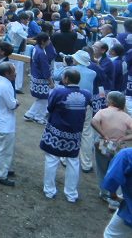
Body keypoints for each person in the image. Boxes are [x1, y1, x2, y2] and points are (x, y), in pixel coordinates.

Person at [40, 68, 92, 202]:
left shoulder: (58, 91)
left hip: (56, 132)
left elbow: (49, 108)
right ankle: (71, 194)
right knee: (73, 162)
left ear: (66, 79)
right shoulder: (86, 94)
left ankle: (49, 190)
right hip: (74, 135)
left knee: (52, 160)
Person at [54, 50, 98, 173]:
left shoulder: (69, 70)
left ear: (76, 60)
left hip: (71, 103)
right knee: (87, 133)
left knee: (67, 130)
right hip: (87, 103)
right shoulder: (93, 73)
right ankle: (86, 163)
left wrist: (65, 66)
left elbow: (55, 76)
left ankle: (64, 158)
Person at [91, 91, 132, 210]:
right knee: (115, 169)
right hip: (118, 145)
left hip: (103, 143)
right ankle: (114, 195)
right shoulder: (125, 116)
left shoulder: (103, 112)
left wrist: (103, 134)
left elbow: (93, 122)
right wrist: (124, 137)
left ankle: (104, 193)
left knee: (102, 168)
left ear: (111, 102)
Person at [0, 62, 19, 187]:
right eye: (14, 71)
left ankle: (3, 169)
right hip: (5, 123)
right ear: (7, 73)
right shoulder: (5, 85)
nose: (16, 73)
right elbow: (12, 104)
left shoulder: (0, 82)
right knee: (4, 150)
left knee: (1, 148)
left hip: (2, 122)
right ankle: (0, 174)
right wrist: (17, 102)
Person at [24, 33, 56, 124]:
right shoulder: (41, 53)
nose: (49, 42)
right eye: (48, 40)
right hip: (41, 79)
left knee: (42, 99)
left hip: (35, 76)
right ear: (43, 41)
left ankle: (30, 114)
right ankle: (38, 117)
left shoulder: (35, 48)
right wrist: (51, 81)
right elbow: (45, 69)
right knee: (44, 99)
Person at [102, 148, 132, 238]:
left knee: (110, 235)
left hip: (129, 209)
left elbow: (112, 179)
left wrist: (114, 196)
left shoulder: (127, 154)